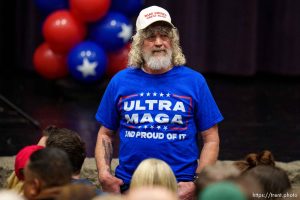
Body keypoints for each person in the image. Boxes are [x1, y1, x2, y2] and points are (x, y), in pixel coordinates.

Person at [95, 5, 223, 199]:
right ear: (138, 43)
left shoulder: (195, 81)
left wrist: (197, 183)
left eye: (165, 36)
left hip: (179, 188)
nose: (158, 43)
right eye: (150, 37)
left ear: (173, 41)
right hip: (130, 186)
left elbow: (211, 139)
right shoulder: (120, 81)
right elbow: (105, 134)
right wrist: (104, 174)